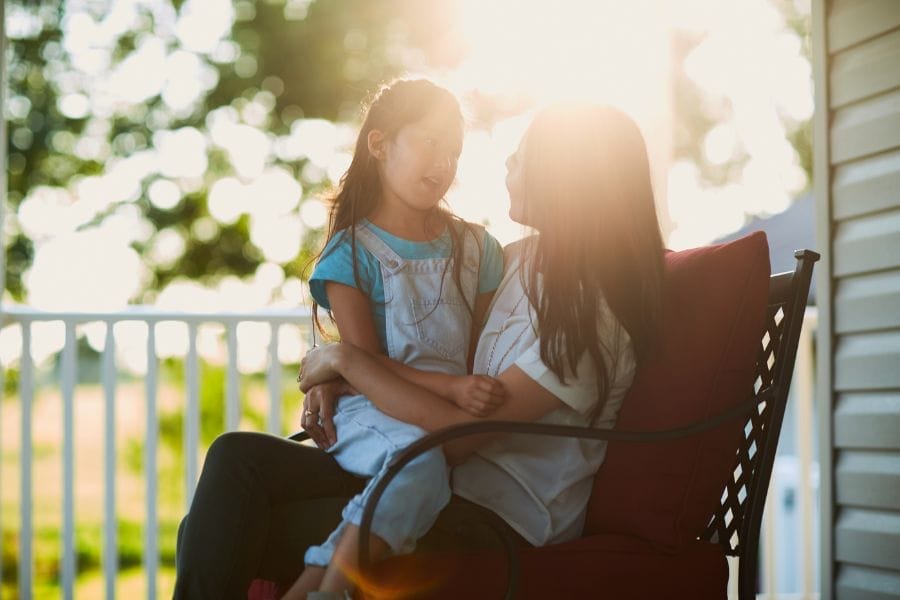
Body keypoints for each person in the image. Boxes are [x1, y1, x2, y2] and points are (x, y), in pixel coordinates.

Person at [174, 103, 665, 599]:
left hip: (498, 514)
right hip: (438, 479)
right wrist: (334, 375)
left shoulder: (593, 316)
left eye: (521, 158)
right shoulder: (518, 260)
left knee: (227, 528)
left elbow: (461, 440)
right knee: (235, 458)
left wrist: (346, 362)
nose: (507, 166)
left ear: (566, 176)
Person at [173, 78, 505, 600]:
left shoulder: (478, 249)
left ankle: (323, 585)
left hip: (436, 435)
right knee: (232, 453)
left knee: (415, 460)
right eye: (430, 141)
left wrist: (341, 368)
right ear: (380, 145)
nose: (444, 161)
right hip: (373, 415)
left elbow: (488, 349)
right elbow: (364, 364)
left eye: (455, 150)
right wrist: (445, 388)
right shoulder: (352, 252)